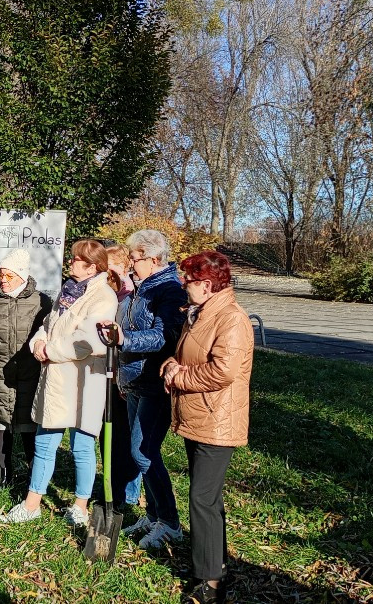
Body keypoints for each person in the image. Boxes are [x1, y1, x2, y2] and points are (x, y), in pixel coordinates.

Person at [0, 239, 119, 526]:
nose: (71, 263)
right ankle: (32, 504)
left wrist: (50, 351)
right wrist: (39, 342)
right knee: (45, 442)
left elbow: (89, 340)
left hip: (84, 381)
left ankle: (80, 505)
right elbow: (48, 324)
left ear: (92, 267)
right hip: (55, 379)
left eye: (77, 260)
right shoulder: (69, 291)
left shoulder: (104, 297)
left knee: (82, 446)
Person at [161, 251, 254, 604]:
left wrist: (180, 376)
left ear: (206, 283)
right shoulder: (199, 314)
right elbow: (187, 353)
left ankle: (211, 584)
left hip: (218, 419)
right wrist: (172, 363)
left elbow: (223, 372)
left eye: (188, 280)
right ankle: (210, 564)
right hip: (198, 414)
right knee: (207, 500)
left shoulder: (231, 318)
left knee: (201, 498)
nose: (184, 285)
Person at [108, 229, 187, 549]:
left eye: (135, 258)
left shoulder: (167, 290)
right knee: (139, 451)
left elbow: (164, 336)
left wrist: (125, 340)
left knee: (144, 452)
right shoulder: (143, 287)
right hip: (133, 380)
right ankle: (153, 516)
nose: (130, 264)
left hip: (154, 381)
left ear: (154, 260)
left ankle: (170, 522)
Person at [0, 249, 51, 487]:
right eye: (1, 275)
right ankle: (4, 473)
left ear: (22, 276)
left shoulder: (42, 301)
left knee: (30, 426)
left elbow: (47, 334)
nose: (3, 281)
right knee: (1, 425)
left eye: (9, 276)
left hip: (30, 373)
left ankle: (33, 476)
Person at [105, 243, 142, 509]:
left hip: (124, 373)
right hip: (109, 372)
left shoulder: (128, 293)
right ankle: (113, 487)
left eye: (110, 267)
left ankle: (128, 493)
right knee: (112, 435)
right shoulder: (111, 290)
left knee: (126, 437)